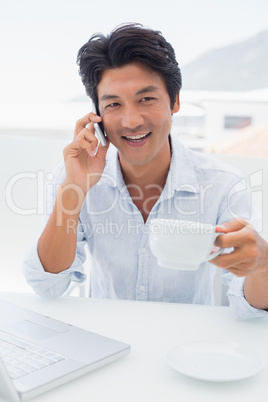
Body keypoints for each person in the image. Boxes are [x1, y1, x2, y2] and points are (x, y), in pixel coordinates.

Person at [22, 23, 268, 319]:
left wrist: (263, 265)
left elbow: (250, 309)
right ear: (97, 116)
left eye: (146, 99)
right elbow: (47, 286)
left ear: (174, 101)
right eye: (113, 104)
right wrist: (73, 189)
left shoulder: (223, 185)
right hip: (106, 341)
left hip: (187, 347)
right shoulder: (74, 178)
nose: (131, 120)